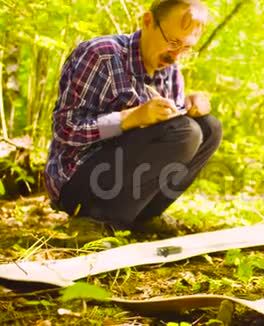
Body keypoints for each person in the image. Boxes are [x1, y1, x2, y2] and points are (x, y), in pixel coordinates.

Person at [44, 0, 221, 233]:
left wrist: (192, 106)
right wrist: (129, 118)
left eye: (186, 47)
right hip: (77, 181)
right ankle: (94, 221)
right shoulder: (102, 56)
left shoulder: (171, 73)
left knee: (208, 128)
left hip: (123, 180)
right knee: (187, 132)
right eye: (173, 42)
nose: (176, 56)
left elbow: (175, 133)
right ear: (148, 22)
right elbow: (65, 129)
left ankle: (144, 217)